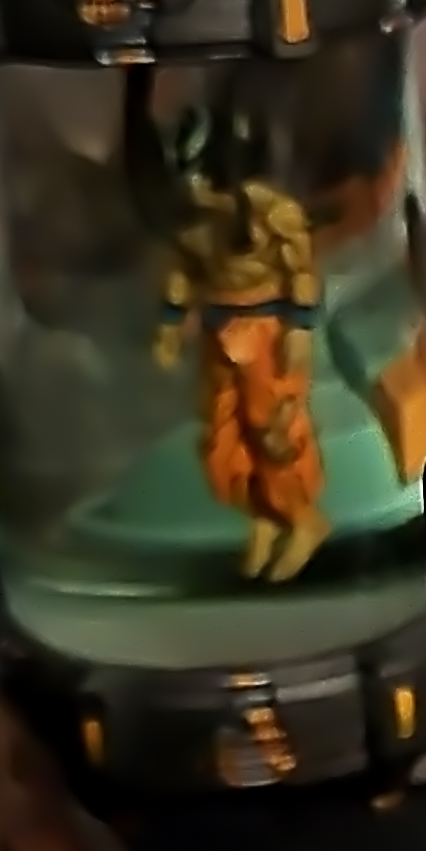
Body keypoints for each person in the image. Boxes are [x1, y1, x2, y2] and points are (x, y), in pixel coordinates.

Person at [151, 104, 329, 584]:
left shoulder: (273, 214)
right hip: (219, 333)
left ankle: (303, 518)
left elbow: (301, 271)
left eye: (202, 178)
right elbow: (184, 275)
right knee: (223, 431)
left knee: (273, 429)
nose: (195, 189)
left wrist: (299, 326)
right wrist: (170, 326)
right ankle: (263, 516)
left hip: (267, 332)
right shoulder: (194, 223)